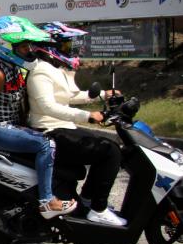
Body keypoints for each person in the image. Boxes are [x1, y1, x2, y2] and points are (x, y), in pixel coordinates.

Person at [0, 16, 77, 219]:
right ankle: (47, 201)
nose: (28, 49)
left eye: (28, 44)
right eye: (23, 45)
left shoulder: (15, 68)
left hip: (11, 126)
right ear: (6, 45)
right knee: (47, 145)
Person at [28, 22, 126, 227]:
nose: (71, 50)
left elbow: (69, 95)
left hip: (63, 128)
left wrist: (102, 95)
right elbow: (48, 107)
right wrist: (87, 116)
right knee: (110, 151)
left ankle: (88, 201)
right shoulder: (40, 71)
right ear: (50, 46)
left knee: (109, 148)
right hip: (50, 131)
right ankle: (98, 209)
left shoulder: (53, 69)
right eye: (66, 46)